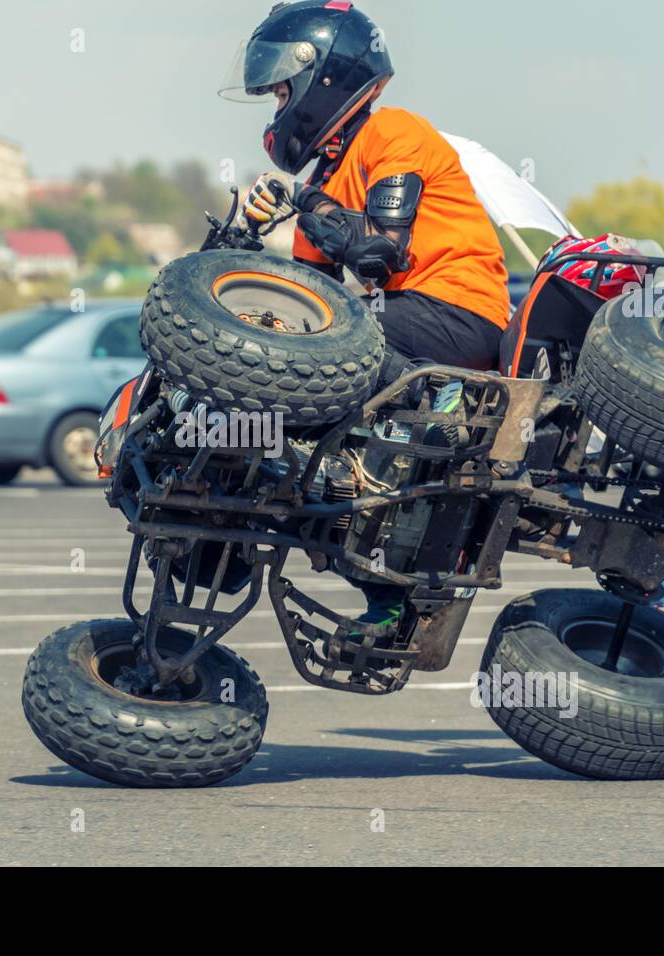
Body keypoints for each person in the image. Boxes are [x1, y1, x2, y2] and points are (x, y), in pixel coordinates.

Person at [220, 0, 511, 632]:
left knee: (337, 346)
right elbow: (309, 300)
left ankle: (442, 410)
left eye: (279, 92)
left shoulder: (395, 132)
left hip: (458, 310)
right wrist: (246, 244)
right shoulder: (326, 173)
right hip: (398, 319)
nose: (277, 110)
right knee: (302, 437)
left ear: (321, 77)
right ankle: (382, 584)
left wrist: (306, 204)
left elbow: (381, 252)